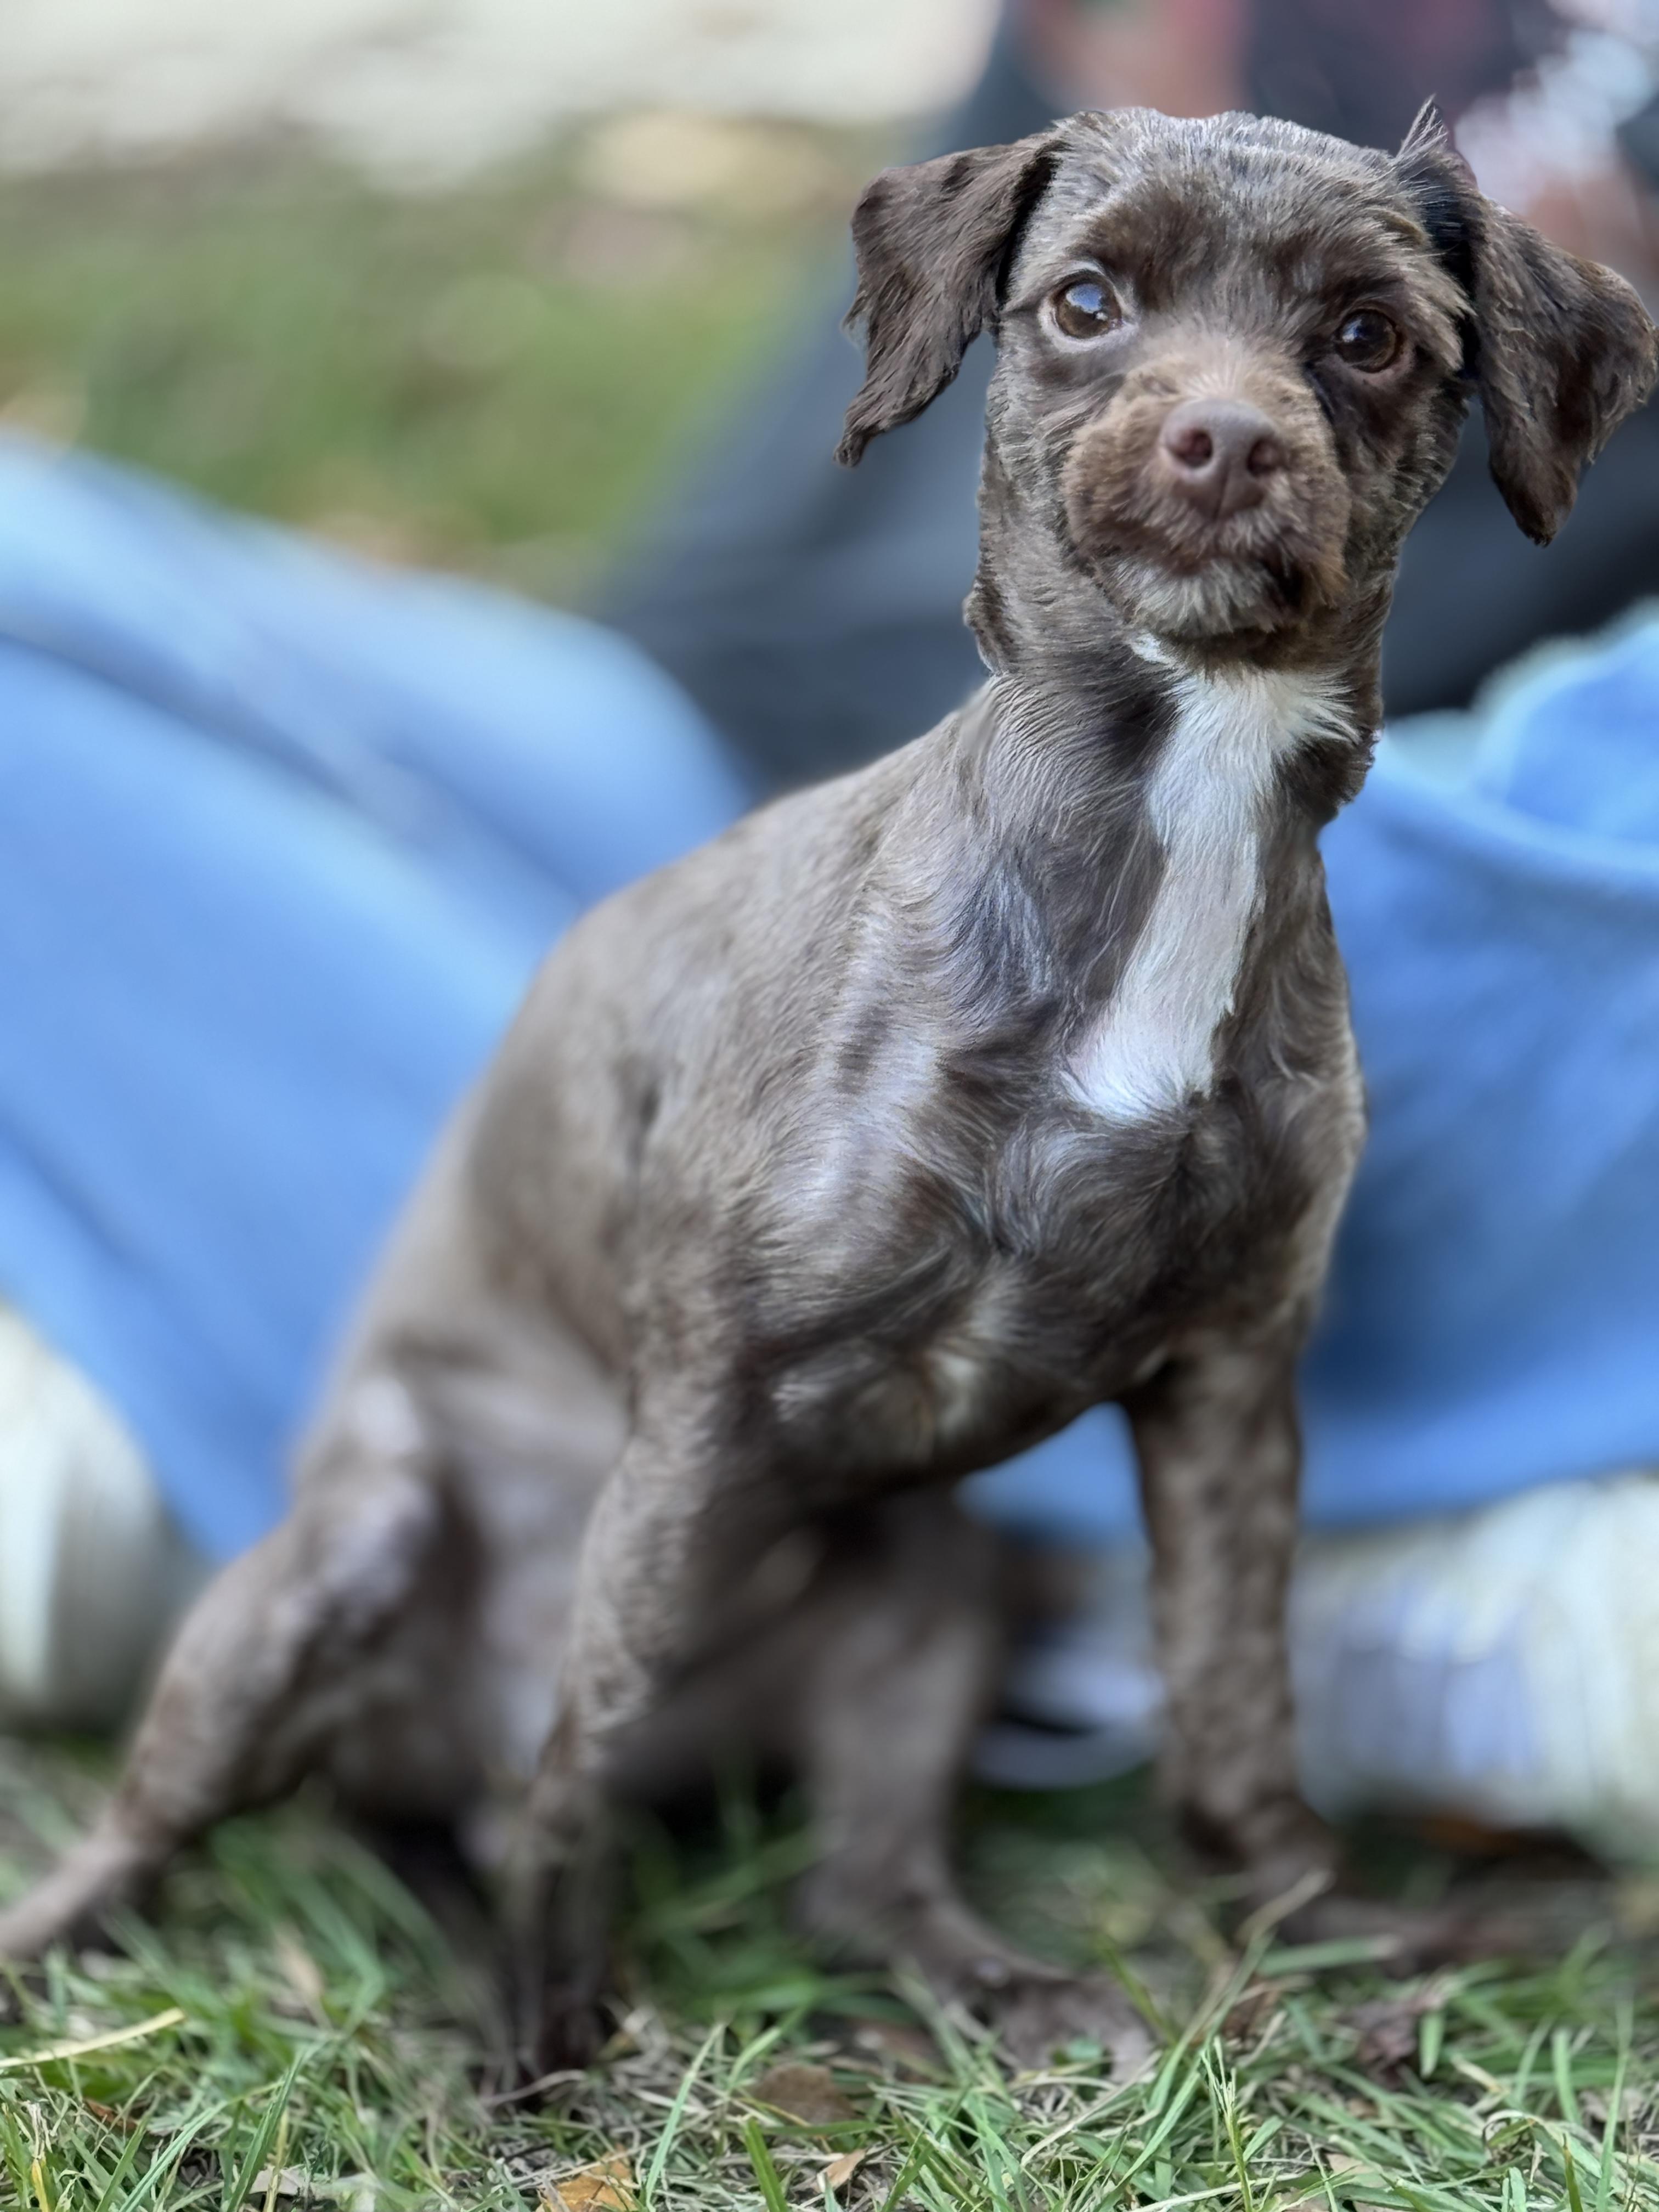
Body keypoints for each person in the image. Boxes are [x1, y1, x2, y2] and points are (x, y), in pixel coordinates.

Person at [3, 0, 1658, 1859]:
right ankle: (418, 1382)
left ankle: (1036, 1546)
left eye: (1359, 339)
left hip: (1301, 886)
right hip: (710, 760)